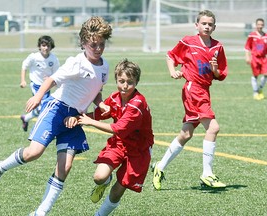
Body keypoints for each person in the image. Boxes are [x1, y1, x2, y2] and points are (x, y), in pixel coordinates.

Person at [0, 16, 112, 216]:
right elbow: (52, 79)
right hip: (57, 108)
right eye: (93, 44)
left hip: (74, 118)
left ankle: (40, 212)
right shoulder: (76, 63)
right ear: (83, 43)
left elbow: (95, 89)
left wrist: (101, 103)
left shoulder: (105, 66)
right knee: (33, 153)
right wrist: (37, 96)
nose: (98, 48)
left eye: (102, 44)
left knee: (65, 166)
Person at [64, 59, 154, 216]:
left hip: (139, 151)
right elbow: (99, 114)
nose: (125, 86)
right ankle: (105, 182)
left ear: (136, 82)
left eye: (130, 82)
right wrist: (77, 118)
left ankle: (99, 215)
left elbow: (117, 128)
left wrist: (89, 122)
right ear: (116, 80)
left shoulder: (137, 104)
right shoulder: (114, 98)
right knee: (99, 177)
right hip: (119, 144)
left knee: (118, 190)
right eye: (121, 81)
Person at [152, 10, 228, 190]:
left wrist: (215, 69)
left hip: (204, 91)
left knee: (186, 134)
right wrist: (172, 71)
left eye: (210, 24)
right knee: (213, 128)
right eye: (204, 23)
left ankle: (159, 167)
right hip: (193, 89)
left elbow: (219, 74)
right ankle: (207, 174)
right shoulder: (188, 41)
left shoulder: (218, 47)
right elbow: (170, 55)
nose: (207, 27)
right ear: (197, 25)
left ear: (214, 27)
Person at [20, 35, 60, 132]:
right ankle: (41, 130)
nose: (45, 48)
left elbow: (57, 74)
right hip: (36, 85)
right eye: (43, 45)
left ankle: (26, 118)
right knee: (44, 107)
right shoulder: (34, 57)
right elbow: (24, 66)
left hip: (46, 87)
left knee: (41, 108)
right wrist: (23, 80)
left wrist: (51, 79)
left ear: (51, 47)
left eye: (48, 46)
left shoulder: (53, 59)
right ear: (39, 46)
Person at [245, 18, 267, 100]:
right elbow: (247, 47)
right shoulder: (252, 35)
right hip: (255, 58)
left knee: (266, 75)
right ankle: (255, 92)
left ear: (263, 25)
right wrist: (247, 57)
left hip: (264, 58)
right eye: (258, 24)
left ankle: (260, 89)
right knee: (255, 75)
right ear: (256, 25)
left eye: (261, 24)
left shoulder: (266, 36)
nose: (260, 26)